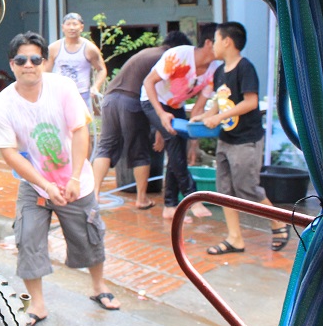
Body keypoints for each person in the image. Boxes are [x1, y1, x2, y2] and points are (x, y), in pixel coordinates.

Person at [0, 31, 120, 326]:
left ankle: (99, 287)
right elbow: (10, 154)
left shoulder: (63, 88)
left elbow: (80, 130)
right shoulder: (0, 106)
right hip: (35, 183)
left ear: (45, 62)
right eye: (22, 59)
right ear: (12, 64)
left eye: (36, 59)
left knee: (89, 235)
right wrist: (45, 185)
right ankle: (38, 304)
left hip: (75, 181)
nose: (29, 65)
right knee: (28, 237)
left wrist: (73, 178)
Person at [190, 22, 290, 254]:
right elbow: (219, 101)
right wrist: (205, 116)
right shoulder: (219, 72)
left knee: (247, 189)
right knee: (224, 190)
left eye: (215, 40)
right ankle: (235, 238)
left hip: (246, 140)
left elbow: (250, 102)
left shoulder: (245, 68)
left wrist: (220, 116)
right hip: (226, 139)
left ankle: (278, 221)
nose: (212, 45)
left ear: (227, 42)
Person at [91, 31, 191, 209]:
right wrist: (162, 129)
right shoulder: (168, 58)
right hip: (131, 101)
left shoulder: (149, 52)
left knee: (106, 146)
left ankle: (95, 195)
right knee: (140, 150)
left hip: (110, 99)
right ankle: (141, 198)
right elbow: (161, 96)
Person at [141, 23, 219, 221]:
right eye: (223, 41)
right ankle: (192, 196)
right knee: (174, 143)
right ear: (209, 43)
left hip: (176, 106)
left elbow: (198, 110)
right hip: (153, 101)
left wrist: (194, 142)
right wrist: (160, 115)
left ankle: (170, 205)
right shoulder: (179, 55)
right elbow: (148, 82)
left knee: (178, 150)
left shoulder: (214, 70)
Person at [45, 12, 107, 110]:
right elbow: (45, 72)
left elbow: (102, 69)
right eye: (68, 24)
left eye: (75, 24)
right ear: (63, 27)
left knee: (82, 124)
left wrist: (96, 86)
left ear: (81, 27)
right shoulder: (54, 48)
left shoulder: (89, 48)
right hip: (59, 94)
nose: (71, 28)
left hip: (82, 94)